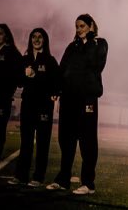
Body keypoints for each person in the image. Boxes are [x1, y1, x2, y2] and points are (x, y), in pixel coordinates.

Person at [46, 14, 108, 195]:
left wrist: (87, 41)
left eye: (82, 26)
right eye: (76, 26)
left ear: (90, 26)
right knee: (66, 140)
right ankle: (63, 180)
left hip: (87, 99)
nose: (78, 29)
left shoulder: (99, 43)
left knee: (87, 141)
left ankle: (88, 183)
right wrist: (56, 90)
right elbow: (62, 69)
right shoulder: (71, 46)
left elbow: (96, 65)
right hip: (69, 99)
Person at [9, 28, 60, 187]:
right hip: (28, 105)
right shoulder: (25, 59)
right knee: (26, 142)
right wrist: (24, 74)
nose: (36, 40)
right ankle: (21, 175)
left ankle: (38, 177)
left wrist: (36, 76)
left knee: (43, 143)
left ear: (45, 40)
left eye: (40, 37)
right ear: (30, 40)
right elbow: (19, 82)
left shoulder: (50, 60)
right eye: (33, 37)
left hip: (44, 107)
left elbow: (56, 82)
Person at [0, 23, 23, 163]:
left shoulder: (12, 52)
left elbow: (19, 75)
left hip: (2, 99)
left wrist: (9, 88)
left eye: (0, 33)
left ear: (6, 35)